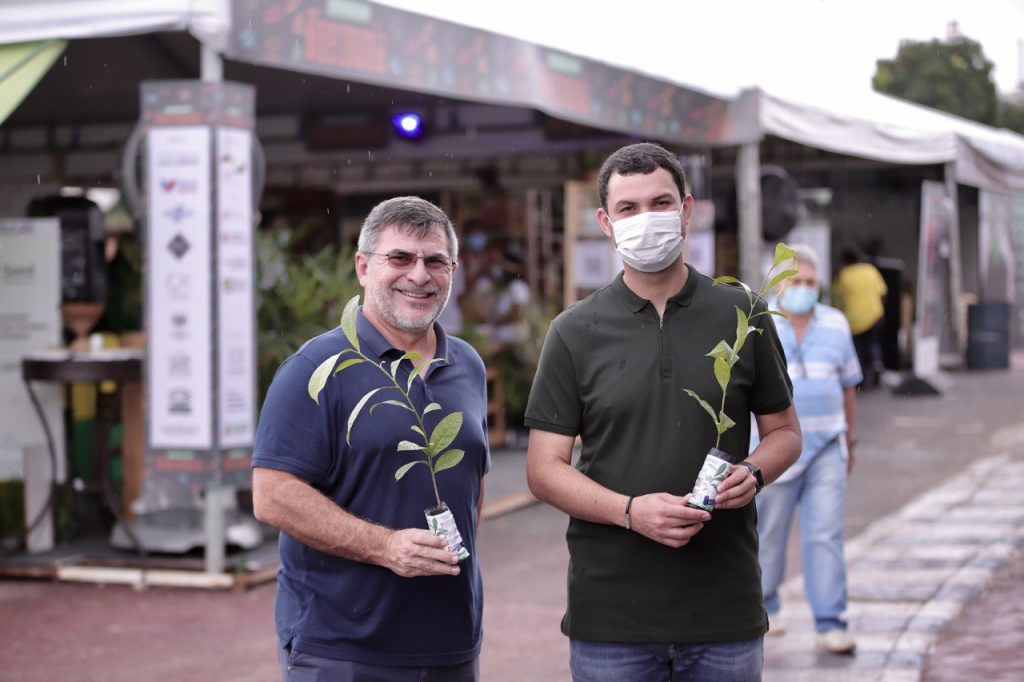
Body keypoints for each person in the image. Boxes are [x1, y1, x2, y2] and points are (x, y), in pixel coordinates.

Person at [524, 142, 802, 681]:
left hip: (725, 611)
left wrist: (755, 471)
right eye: (628, 208)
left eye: (660, 202)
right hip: (612, 619)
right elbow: (543, 469)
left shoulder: (743, 313)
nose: (645, 219)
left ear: (687, 209)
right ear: (606, 221)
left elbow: (785, 432)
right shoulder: (574, 331)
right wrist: (629, 511)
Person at [252, 196, 489, 681]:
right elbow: (272, 496)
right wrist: (384, 546)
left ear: (453, 270)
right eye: (399, 258)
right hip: (344, 649)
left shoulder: (467, 365)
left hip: (451, 643)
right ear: (363, 267)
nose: (419, 275)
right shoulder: (315, 370)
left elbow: (472, 483)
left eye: (435, 261)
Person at [754, 244, 860, 655]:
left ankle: (830, 621)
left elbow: (850, 384)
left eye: (812, 282)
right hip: (774, 451)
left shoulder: (836, 325)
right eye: (796, 281)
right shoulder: (759, 322)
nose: (804, 289)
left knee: (826, 535)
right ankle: (766, 608)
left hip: (827, 447)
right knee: (768, 534)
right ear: (779, 284)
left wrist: (849, 440)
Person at [833, 248, 887, 387]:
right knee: (873, 343)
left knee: (858, 349)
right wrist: (882, 311)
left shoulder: (844, 275)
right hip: (875, 314)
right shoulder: (870, 270)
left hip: (855, 320)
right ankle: (876, 363)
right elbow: (883, 293)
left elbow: (838, 298)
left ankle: (861, 378)